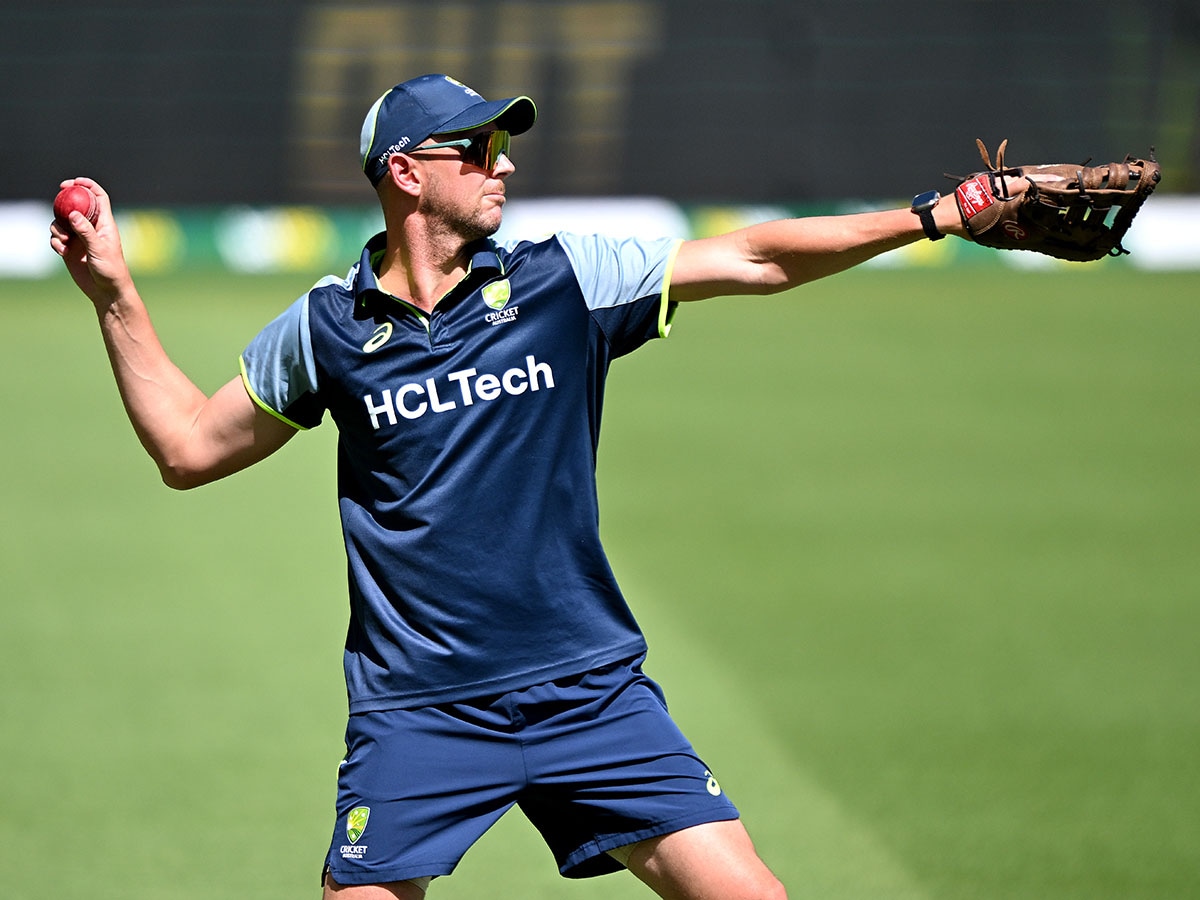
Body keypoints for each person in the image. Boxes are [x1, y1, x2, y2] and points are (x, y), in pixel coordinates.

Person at [51, 74, 1025, 900]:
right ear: (406, 172)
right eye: (475, 147)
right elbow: (186, 447)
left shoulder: (566, 281)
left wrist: (937, 216)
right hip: (419, 710)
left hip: (587, 694)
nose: (503, 162)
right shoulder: (326, 329)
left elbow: (758, 258)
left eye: (502, 145)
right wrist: (115, 297)